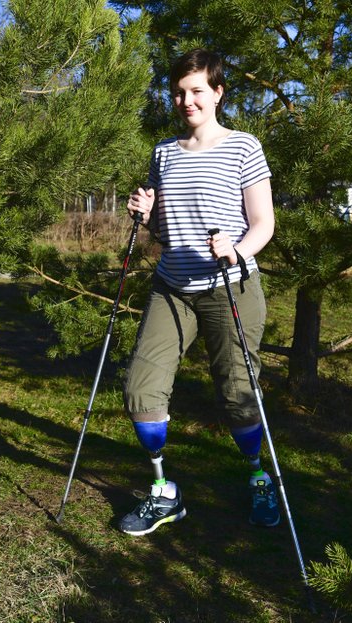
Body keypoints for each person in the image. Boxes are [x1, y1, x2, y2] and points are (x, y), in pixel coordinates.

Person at [120, 49, 278, 536]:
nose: (185, 100)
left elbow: (263, 224)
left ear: (217, 93)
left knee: (237, 395)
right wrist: (145, 215)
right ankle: (165, 492)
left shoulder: (243, 147)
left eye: (196, 91)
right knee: (140, 392)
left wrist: (237, 249)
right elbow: (166, 232)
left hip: (230, 286)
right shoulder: (164, 152)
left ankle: (258, 478)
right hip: (173, 287)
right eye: (178, 92)